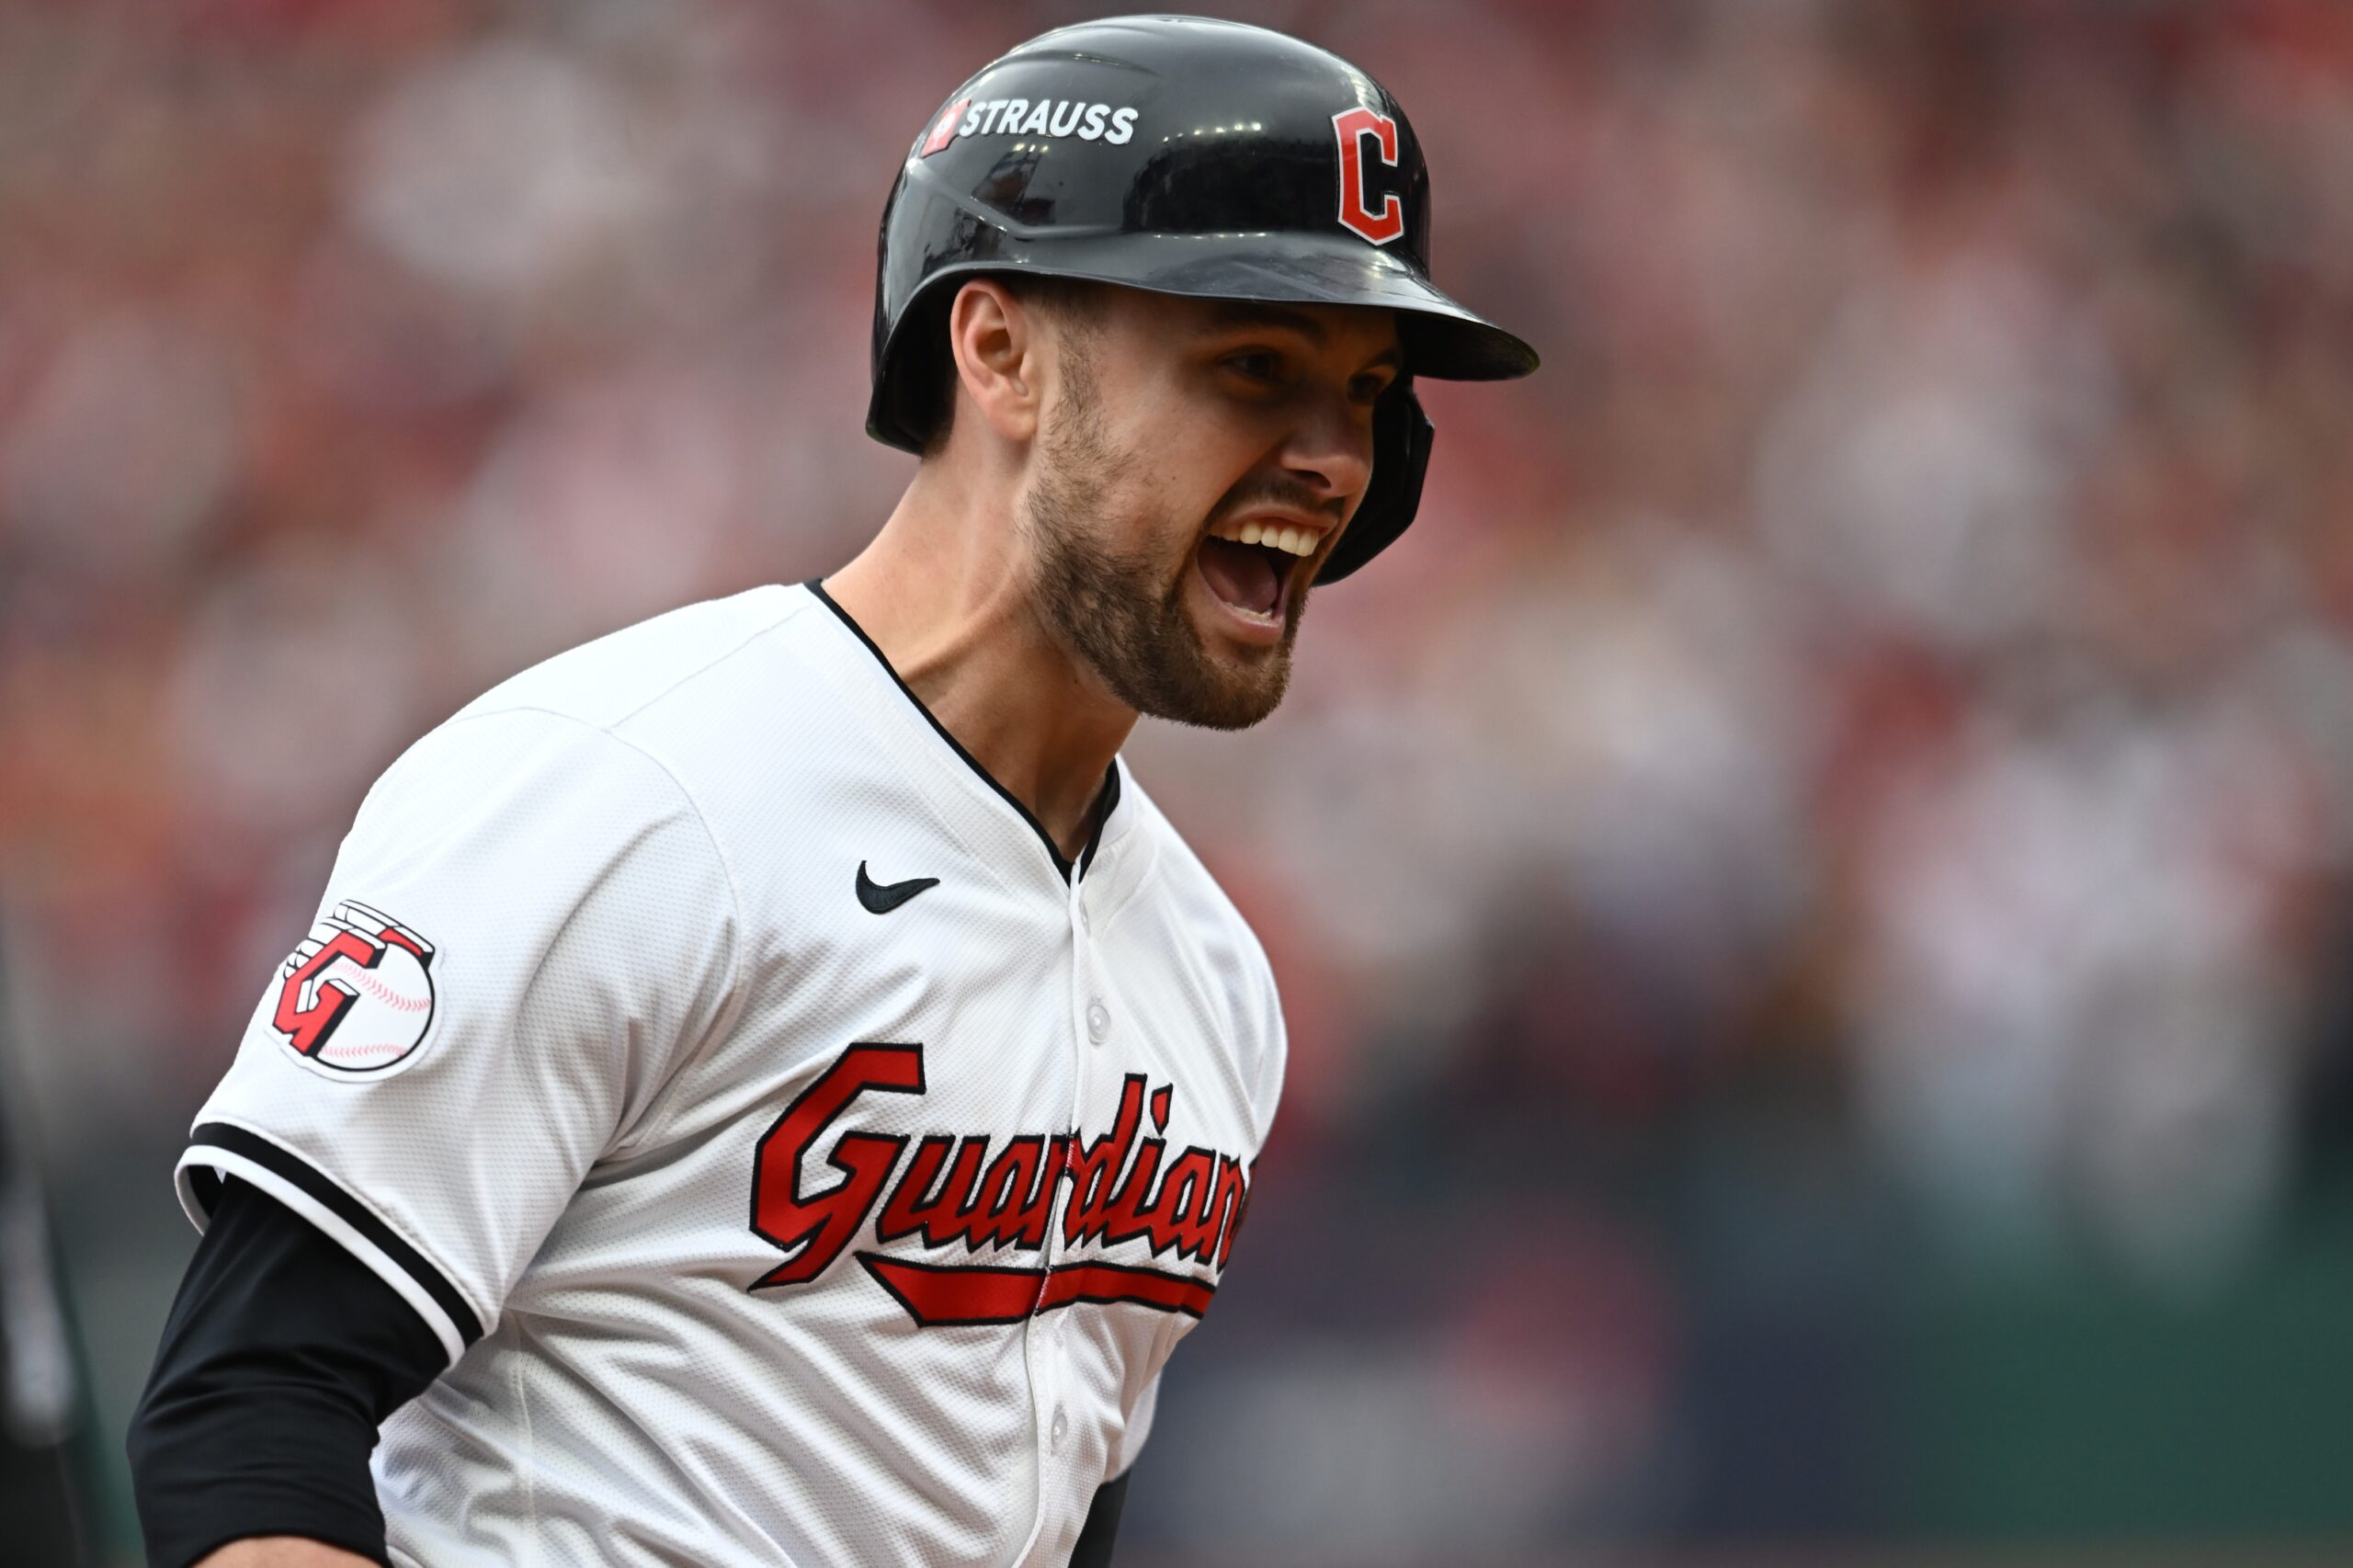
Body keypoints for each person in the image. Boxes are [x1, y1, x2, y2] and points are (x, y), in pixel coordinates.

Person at [126, 16, 1535, 1567]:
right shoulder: (635, 794)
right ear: (996, 350)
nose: (1333, 457)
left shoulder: (1212, 977)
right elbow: (247, 1409)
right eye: (1255, 365)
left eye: (1367, 392)